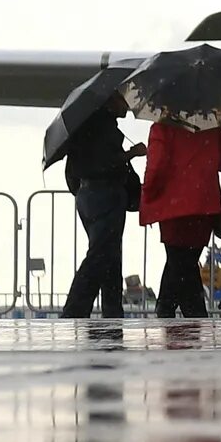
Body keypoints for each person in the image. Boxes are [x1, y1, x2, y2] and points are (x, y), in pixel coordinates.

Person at [138, 115, 221, 317]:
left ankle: (179, 313)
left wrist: (148, 195)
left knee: (178, 263)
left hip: (174, 206)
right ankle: (176, 311)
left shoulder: (163, 126)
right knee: (184, 263)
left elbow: (156, 166)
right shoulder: (212, 123)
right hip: (205, 203)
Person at [59, 110, 145, 317]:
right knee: (102, 255)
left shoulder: (83, 125)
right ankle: (77, 309)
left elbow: (80, 166)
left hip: (88, 195)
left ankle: (109, 310)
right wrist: (131, 154)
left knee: (108, 254)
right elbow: (106, 161)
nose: (127, 105)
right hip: (106, 194)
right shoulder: (102, 127)